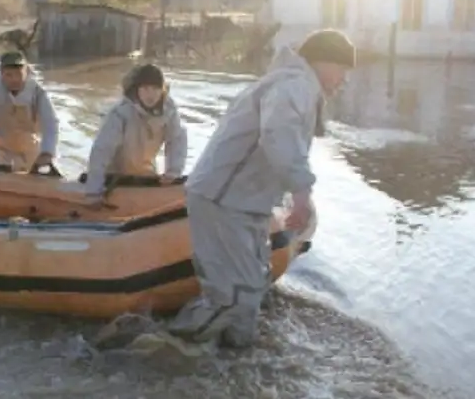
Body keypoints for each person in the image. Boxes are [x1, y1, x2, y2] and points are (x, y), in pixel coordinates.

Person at [165, 29, 355, 348]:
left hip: (243, 200)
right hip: (222, 199)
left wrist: (293, 195)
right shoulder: (293, 86)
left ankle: (237, 354)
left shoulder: (295, 85)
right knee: (233, 295)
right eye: (342, 69)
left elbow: (281, 149)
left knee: (253, 285)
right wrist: (301, 193)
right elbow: (278, 137)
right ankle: (167, 349)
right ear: (322, 62)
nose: (344, 79)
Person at [83, 64, 187, 208]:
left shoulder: (169, 111)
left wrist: (173, 172)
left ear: (162, 90)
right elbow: (102, 150)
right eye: (145, 88)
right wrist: (94, 191)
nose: (150, 94)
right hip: (115, 176)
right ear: (137, 89)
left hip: (146, 173)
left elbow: (176, 140)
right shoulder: (120, 113)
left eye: (155, 89)